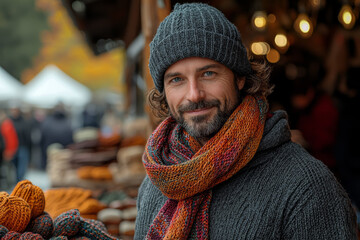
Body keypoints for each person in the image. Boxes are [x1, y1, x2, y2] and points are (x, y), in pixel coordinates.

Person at [134, 3, 358, 239]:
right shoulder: (157, 183)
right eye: (176, 79)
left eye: (208, 73)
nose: (194, 94)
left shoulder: (307, 187)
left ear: (240, 77)